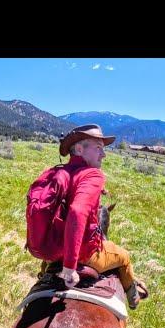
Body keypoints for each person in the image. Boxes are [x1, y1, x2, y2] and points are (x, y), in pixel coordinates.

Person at [50, 124, 147, 309]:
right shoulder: (93, 175)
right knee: (124, 257)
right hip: (85, 253)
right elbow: (78, 211)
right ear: (79, 149)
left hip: (55, 247)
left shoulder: (60, 172)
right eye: (98, 148)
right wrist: (70, 268)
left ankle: (43, 275)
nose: (104, 155)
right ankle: (133, 298)